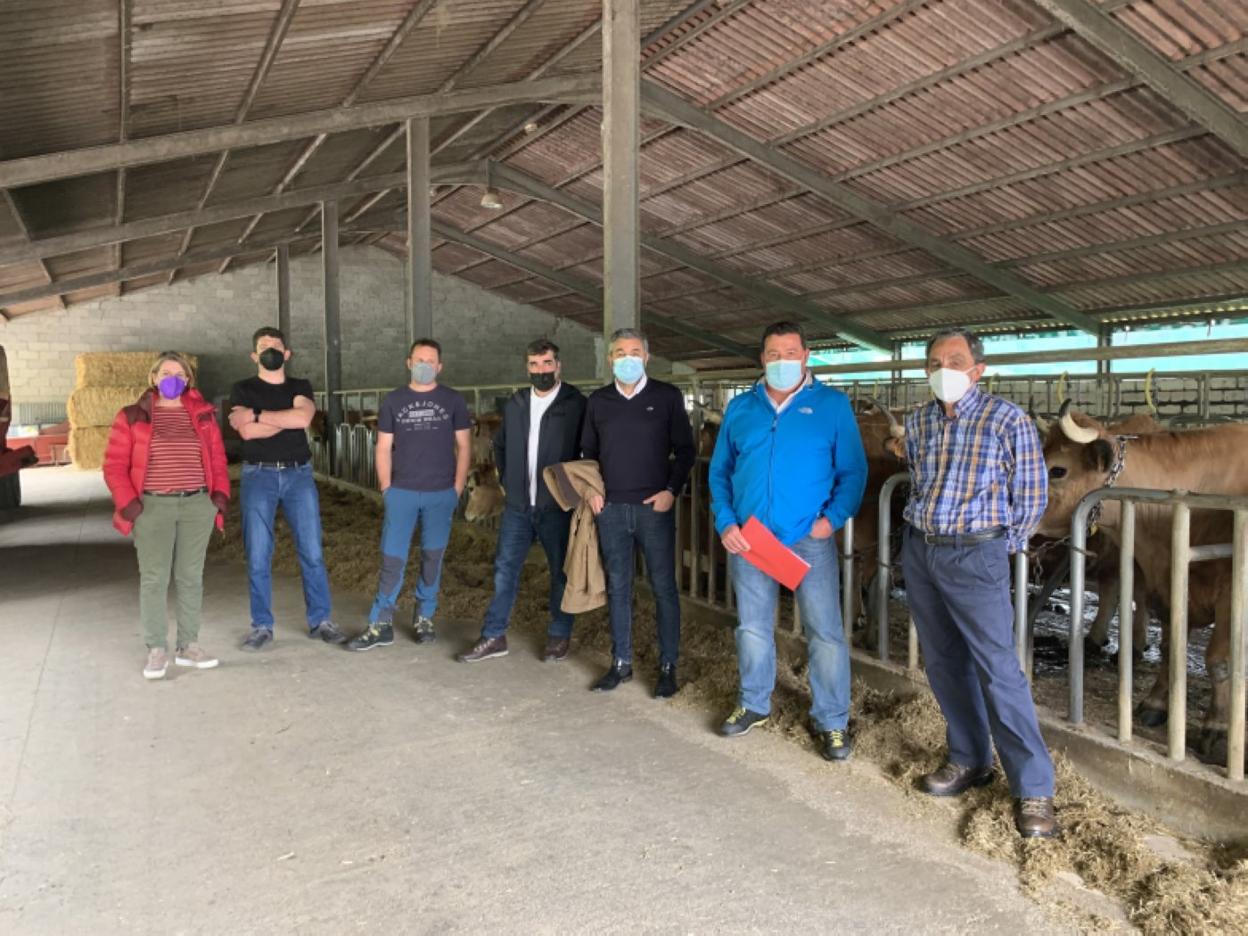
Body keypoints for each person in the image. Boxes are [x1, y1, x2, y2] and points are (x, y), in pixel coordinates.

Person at [900, 327, 1058, 838]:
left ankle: (1033, 788)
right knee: (943, 659)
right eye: (934, 361)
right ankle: (969, 757)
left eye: (954, 360)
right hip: (922, 549)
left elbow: (1032, 497)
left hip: (976, 553)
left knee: (997, 667)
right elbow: (922, 479)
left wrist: (997, 545)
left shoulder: (1007, 419)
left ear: (977, 370)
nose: (943, 369)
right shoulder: (920, 420)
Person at [708, 322, 867, 760]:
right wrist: (726, 522)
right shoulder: (741, 408)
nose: (781, 361)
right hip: (750, 539)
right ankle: (754, 703)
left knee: (826, 633)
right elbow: (719, 472)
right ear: (762, 359)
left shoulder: (832, 406)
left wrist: (831, 520)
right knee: (752, 627)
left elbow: (853, 471)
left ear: (806, 355)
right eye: (773, 354)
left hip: (808, 539)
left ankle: (832, 720)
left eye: (790, 352)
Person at [581, 328, 695, 697]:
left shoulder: (666, 397)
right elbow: (586, 453)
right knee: (618, 587)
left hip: (653, 508)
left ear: (647, 357)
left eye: (634, 351)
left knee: (663, 586)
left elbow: (686, 450)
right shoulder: (598, 401)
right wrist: (592, 491)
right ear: (610, 359)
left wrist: (671, 491)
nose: (627, 358)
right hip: (611, 508)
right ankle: (621, 662)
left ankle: (667, 664)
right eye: (619, 352)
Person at [103, 351, 231, 679]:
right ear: (154, 378)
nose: (172, 378)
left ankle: (188, 645)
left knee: (191, 577)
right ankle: (156, 648)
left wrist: (217, 498)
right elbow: (114, 465)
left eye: (179, 373)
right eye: (166, 372)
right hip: (153, 506)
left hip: (196, 505)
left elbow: (217, 458)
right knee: (155, 578)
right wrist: (130, 504)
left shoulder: (202, 415)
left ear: (188, 380)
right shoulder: (132, 416)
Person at [458, 339, 587, 663]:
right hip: (517, 506)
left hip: (556, 506)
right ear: (527, 367)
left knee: (560, 572)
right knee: (504, 569)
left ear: (558, 366)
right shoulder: (516, 403)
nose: (540, 371)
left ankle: (559, 634)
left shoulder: (576, 404)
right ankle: (493, 635)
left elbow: (589, 452)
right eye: (534, 365)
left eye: (546, 364)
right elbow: (499, 445)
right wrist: (505, 480)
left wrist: (572, 494)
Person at [349, 338, 471, 651]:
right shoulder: (393, 401)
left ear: (439, 366)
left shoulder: (453, 400)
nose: (424, 366)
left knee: (433, 555)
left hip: (441, 491)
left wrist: (458, 486)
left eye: (431, 361)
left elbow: (465, 446)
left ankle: (424, 616)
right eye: (419, 359)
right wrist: (386, 485)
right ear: (408, 362)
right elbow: (383, 446)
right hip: (401, 491)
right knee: (393, 556)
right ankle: (381, 622)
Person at [228, 327, 345, 650]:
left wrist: (258, 415)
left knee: (312, 550)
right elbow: (247, 433)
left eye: (276, 346)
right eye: (263, 346)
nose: (270, 350)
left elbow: (303, 420)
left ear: (287, 354)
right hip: (258, 476)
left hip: (298, 476)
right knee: (258, 553)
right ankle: (262, 625)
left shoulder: (300, 385)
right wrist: (283, 418)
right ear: (254, 355)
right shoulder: (242, 388)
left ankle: (321, 620)